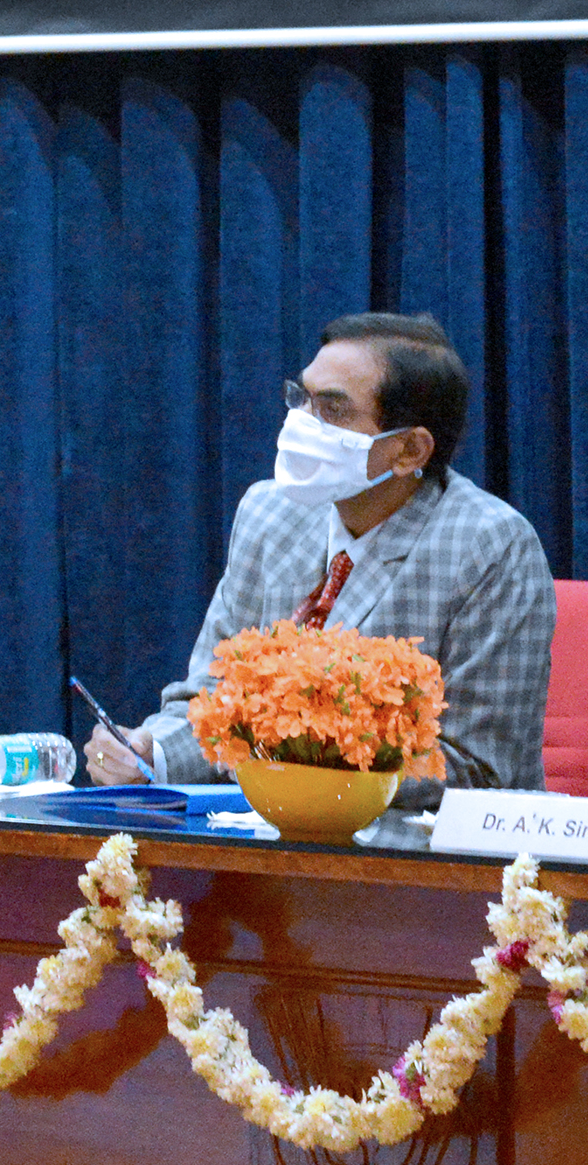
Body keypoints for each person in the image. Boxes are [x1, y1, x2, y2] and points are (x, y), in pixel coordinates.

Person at [84, 311, 556, 804]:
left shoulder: (490, 546)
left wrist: (296, 760)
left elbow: (475, 765)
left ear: (410, 450)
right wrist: (149, 754)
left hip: (418, 863)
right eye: (301, 398)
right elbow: (211, 699)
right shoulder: (269, 513)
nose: (300, 424)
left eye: (332, 409)